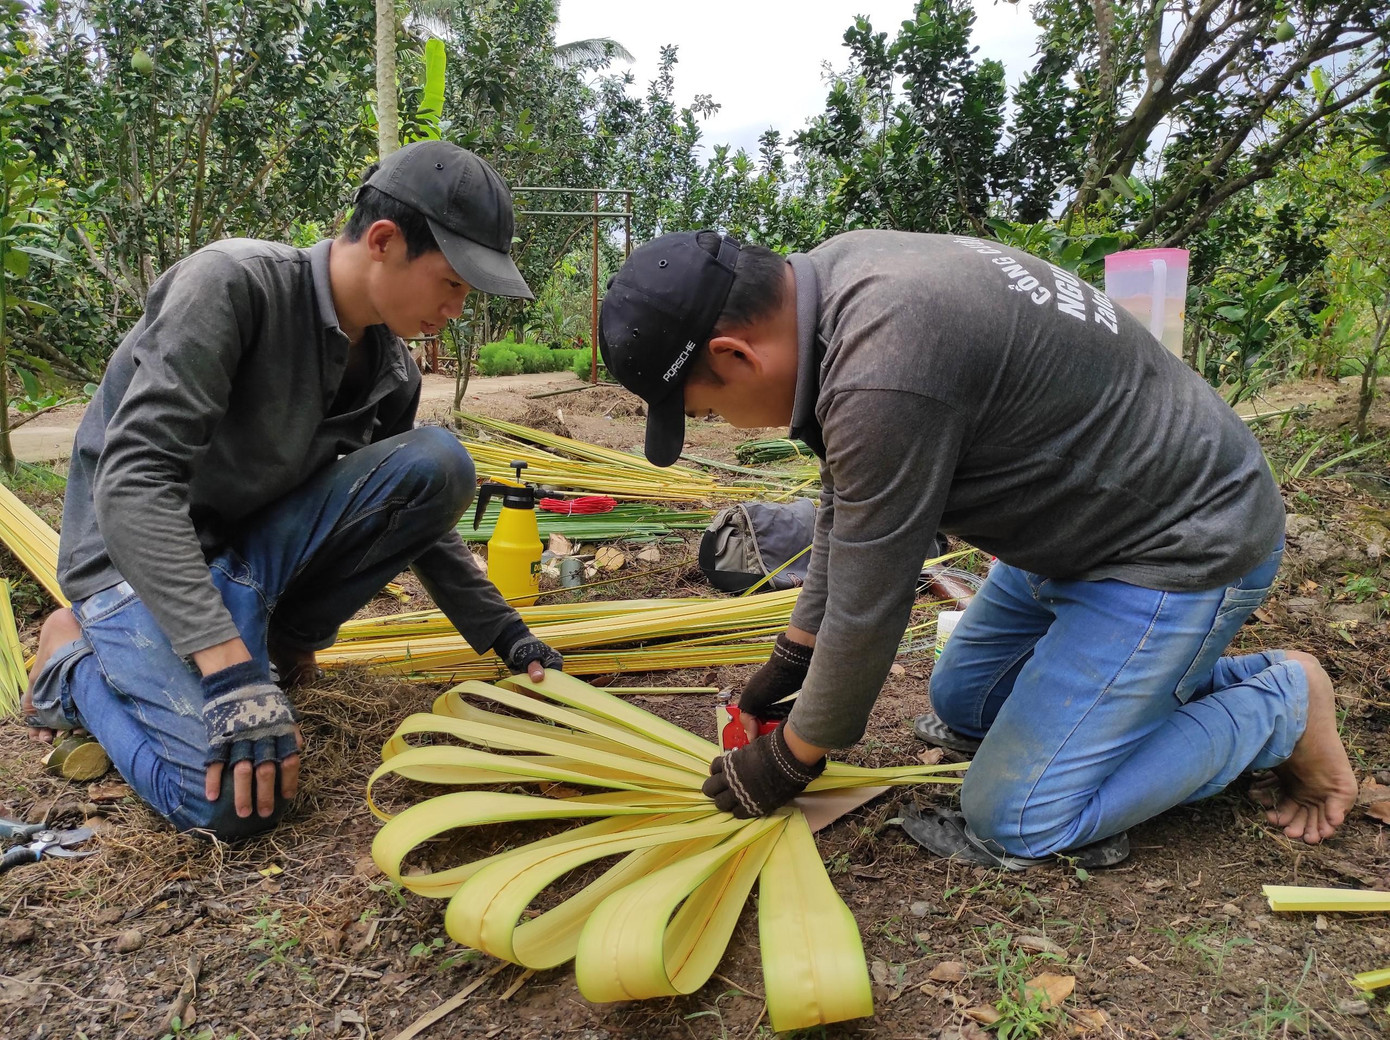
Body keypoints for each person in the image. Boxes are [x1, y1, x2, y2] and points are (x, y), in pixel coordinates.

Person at [597, 228, 1357, 865]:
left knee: (1019, 817)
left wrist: (794, 755)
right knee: (963, 704)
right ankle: (1156, 683)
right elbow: (847, 508)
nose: (727, 427)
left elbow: (872, 598)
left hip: (1180, 544)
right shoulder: (834, 281)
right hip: (1077, 528)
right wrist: (795, 654)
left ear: (735, 356)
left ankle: (1278, 703)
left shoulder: (883, 369)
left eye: (707, 409)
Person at [21, 141, 564, 841]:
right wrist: (226, 669)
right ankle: (72, 663)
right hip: (137, 564)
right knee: (226, 807)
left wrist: (508, 638)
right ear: (383, 240)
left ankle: (267, 640)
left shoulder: (392, 372)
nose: (457, 308)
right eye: (453, 282)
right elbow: (133, 483)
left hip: (251, 555)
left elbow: (417, 521)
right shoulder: (231, 285)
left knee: (438, 461)